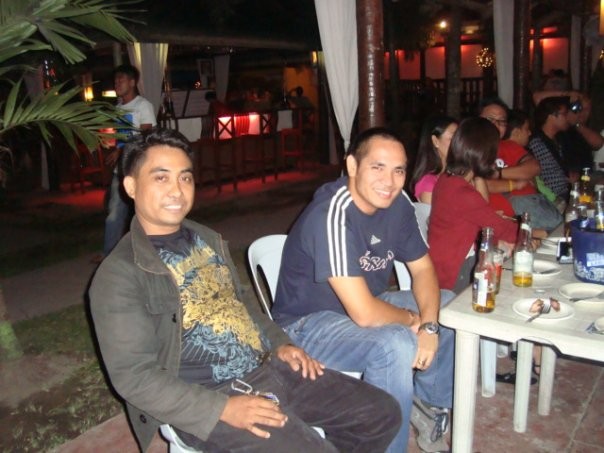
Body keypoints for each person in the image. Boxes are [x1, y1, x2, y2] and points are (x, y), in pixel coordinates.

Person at [89, 128, 401, 453]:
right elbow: (134, 377)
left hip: (270, 367)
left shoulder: (204, 239)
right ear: (131, 186)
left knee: (381, 414)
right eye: (161, 178)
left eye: (185, 178)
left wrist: (280, 343)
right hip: (213, 397)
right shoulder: (120, 274)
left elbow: (241, 305)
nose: (177, 190)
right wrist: (222, 409)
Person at [271, 127, 455, 453]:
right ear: (353, 166)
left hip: (367, 302)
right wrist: (413, 320)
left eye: (398, 170)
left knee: (449, 309)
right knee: (395, 343)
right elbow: (365, 314)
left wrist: (429, 325)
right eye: (378, 167)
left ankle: (428, 408)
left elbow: (423, 269)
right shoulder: (331, 213)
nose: (390, 181)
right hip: (307, 324)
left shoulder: (397, 205)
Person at [428, 117, 520, 294]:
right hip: (456, 274)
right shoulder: (462, 193)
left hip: (444, 266)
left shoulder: (448, 180)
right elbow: (503, 229)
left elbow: (484, 216)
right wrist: (536, 233)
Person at [101, 64, 156, 258]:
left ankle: (150, 251)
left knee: (143, 212)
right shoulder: (117, 109)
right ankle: (110, 255)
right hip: (121, 169)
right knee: (114, 214)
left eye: (121, 79)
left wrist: (121, 150)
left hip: (138, 168)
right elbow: (119, 137)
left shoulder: (143, 106)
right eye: (115, 80)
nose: (117, 83)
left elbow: (146, 136)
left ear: (132, 82)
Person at [490, 109, 562, 231]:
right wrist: (514, 184)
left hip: (532, 201)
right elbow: (484, 183)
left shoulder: (507, 146)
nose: (529, 133)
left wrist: (498, 173)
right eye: (490, 119)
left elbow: (534, 167)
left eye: (501, 121)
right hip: (513, 207)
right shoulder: (474, 152)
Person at [528, 96, 571, 208]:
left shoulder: (558, 139)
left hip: (565, 192)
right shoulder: (536, 143)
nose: (568, 117)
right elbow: (541, 176)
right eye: (564, 114)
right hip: (552, 197)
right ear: (551, 116)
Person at [409, 115, 458, 204]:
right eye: (453, 138)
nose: (459, 143)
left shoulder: (456, 174)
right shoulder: (428, 183)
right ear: (435, 141)